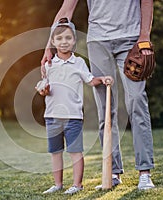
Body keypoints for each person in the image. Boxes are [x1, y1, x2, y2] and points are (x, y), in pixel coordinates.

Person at [41, 0, 155, 190]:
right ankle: (113, 171)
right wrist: (48, 46)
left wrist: (144, 36)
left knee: (137, 101)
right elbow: (66, 9)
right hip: (98, 40)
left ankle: (144, 172)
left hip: (131, 38)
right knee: (105, 109)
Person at [37, 18, 114, 195]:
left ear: (74, 41)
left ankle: (77, 185)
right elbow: (45, 89)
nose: (64, 42)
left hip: (73, 116)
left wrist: (102, 79)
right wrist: (44, 90)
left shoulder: (78, 62)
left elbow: (90, 80)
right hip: (52, 115)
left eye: (68, 38)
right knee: (55, 152)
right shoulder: (48, 65)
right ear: (53, 42)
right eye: (60, 39)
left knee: (75, 151)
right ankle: (58, 184)